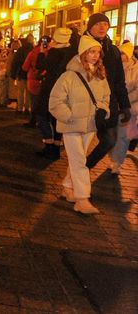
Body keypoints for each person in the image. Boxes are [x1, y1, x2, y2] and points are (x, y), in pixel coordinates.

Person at [49, 35, 110, 215]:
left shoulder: (100, 75)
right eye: (91, 52)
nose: (95, 56)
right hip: (72, 125)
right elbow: (55, 101)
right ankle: (82, 199)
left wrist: (103, 110)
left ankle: (68, 187)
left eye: (97, 52)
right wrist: (69, 116)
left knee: (79, 158)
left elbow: (106, 97)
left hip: (90, 124)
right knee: (79, 161)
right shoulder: (69, 75)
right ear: (83, 53)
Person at [82, 14, 131, 168]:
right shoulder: (80, 46)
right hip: (84, 104)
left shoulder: (113, 50)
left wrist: (125, 105)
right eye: (98, 24)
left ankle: (86, 167)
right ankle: (75, 178)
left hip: (108, 103)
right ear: (90, 26)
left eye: (105, 24)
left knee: (109, 140)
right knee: (80, 147)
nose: (102, 27)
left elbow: (119, 81)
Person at [34, 28, 72, 160]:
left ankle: (48, 144)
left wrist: (42, 52)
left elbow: (40, 65)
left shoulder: (55, 52)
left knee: (42, 114)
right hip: (65, 87)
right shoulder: (70, 51)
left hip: (50, 86)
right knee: (57, 117)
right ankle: (56, 147)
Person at [108, 42, 138, 175]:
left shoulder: (136, 69)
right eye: (119, 53)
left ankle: (116, 163)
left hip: (129, 108)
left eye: (123, 54)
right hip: (113, 107)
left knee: (123, 137)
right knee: (111, 135)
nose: (121, 56)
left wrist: (129, 103)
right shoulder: (113, 67)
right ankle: (112, 157)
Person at [11, 35, 34, 113]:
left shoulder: (21, 49)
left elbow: (15, 62)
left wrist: (13, 73)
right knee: (28, 92)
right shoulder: (33, 50)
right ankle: (27, 107)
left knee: (20, 91)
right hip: (30, 73)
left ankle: (20, 108)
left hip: (21, 73)